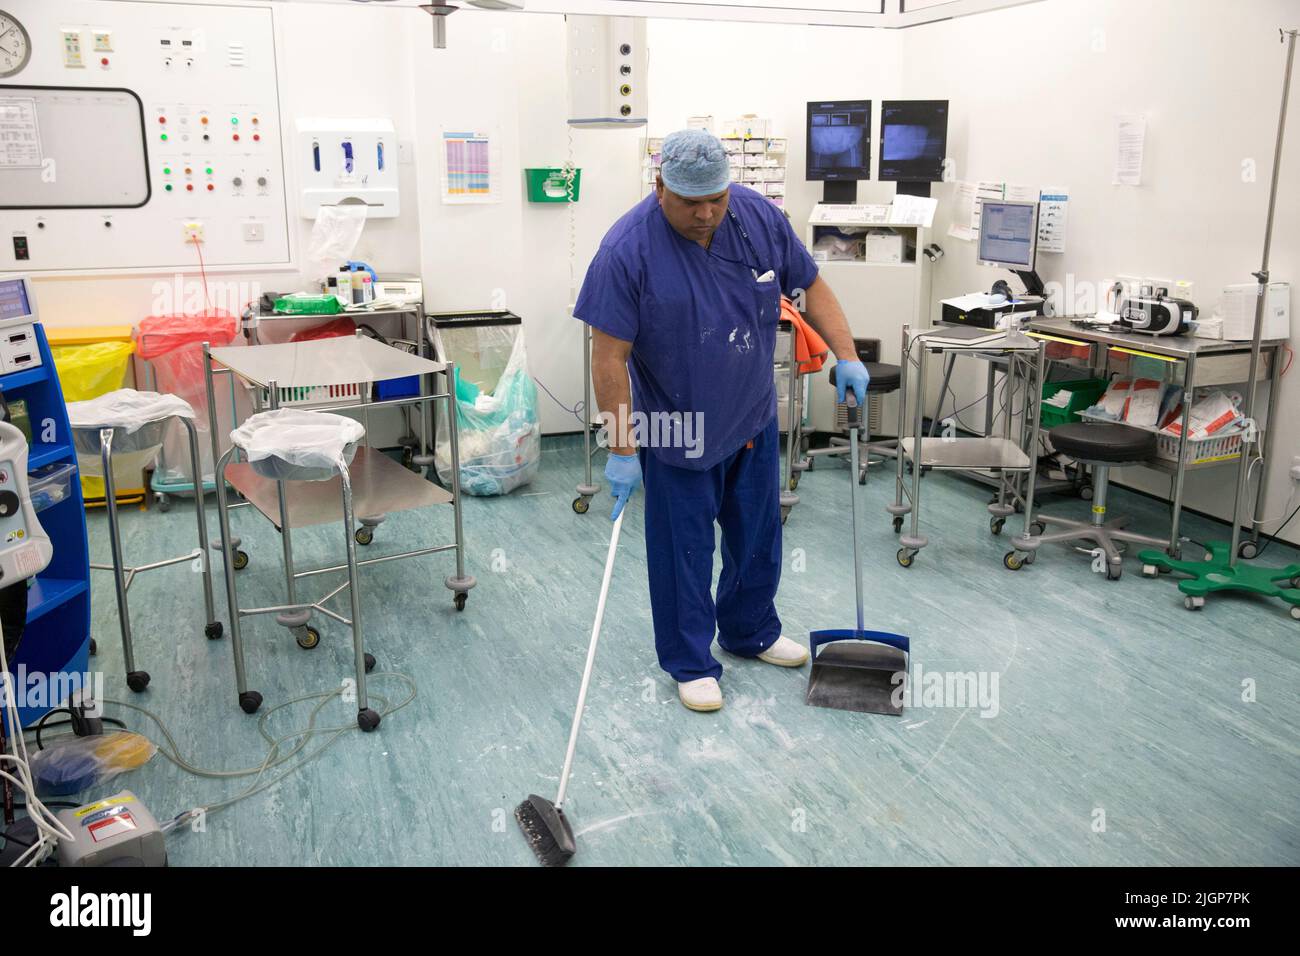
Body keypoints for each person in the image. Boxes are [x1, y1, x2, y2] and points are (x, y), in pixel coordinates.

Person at [574, 129, 869, 713]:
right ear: (660, 188)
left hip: (751, 413)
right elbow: (609, 358)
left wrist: (849, 353)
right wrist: (623, 447)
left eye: (717, 199)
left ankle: (750, 629)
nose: (706, 214)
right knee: (684, 550)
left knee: (757, 537)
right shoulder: (625, 251)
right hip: (674, 426)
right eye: (690, 202)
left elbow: (811, 285)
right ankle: (690, 660)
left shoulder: (758, 217)